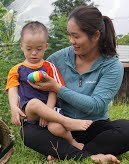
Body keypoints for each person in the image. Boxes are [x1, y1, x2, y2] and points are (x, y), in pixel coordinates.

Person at [14, 6, 129, 164]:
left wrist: (57, 88)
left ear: (95, 36)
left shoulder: (112, 66)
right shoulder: (59, 59)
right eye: (69, 35)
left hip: (92, 126)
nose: (71, 41)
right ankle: (86, 155)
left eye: (76, 36)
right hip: (60, 126)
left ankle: (67, 153)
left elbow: (96, 106)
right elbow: (32, 78)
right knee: (28, 133)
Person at [6, 21, 93, 150]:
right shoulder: (17, 69)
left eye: (39, 49)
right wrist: (14, 108)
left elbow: (54, 90)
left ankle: (73, 144)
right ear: (22, 46)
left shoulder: (49, 67)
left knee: (56, 128)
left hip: (50, 108)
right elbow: (12, 90)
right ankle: (68, 122)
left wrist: (47, 110)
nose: (34, 53)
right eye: (29, 49)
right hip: (29, 111)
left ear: (46, 46)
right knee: (34, 103)